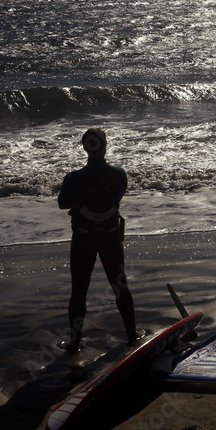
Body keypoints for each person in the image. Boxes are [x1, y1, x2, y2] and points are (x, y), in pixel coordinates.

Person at [57, 128, 138, 352]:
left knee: (79, 291)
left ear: (85, 147)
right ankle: (132, 335)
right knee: (119, 285)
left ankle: (74, 342)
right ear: (105, 145)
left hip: (83, 238)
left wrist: (79, 203)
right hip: (110, 237)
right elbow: (116, 196)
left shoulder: (74, 178)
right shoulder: (119, 174)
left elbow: (62, 203)